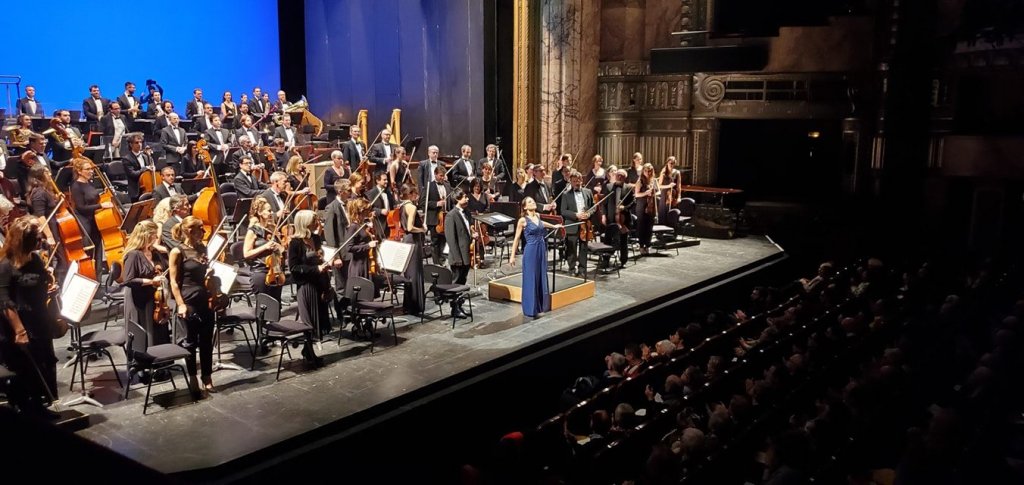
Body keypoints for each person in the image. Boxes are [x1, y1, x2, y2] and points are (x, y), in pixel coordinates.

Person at [0, 216, 60, 417]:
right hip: (18, 323)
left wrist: (50, 287)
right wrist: (20, 331)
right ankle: (27, 409)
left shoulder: (34, 259)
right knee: (25, 367)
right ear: (23, 242)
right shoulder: (5, 266)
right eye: (36, 239)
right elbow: (4, 300)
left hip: (39, 319)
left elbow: (40, 283)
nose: (39, 242)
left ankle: (40, 404)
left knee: (44, 361)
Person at [168, 216, 215, 393]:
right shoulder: (177, 251)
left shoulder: (203, 248)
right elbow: (173, 281)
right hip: (188, 298)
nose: (204, 232)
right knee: (190, 341)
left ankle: (207, 377)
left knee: (206, 340)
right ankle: (193, 376)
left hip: (205, 297)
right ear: (190, 231)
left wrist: (210, 273)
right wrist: (180, 304)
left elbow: (204, 273)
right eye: (200, 229)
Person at [289, 210, 338, 350]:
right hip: (306, 286)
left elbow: (318, 258)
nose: (317, 223)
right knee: (309, 321)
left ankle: (309, 353)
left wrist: (326, 262)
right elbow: (294, 267)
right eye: (314, 220)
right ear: (305, 223)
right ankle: (309, 352)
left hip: (319, 284)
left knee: (320, 320)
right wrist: (316, 269)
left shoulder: (315, 238)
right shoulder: (295, 243)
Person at [122, 221, 169, 362]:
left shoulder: (154, 252)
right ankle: (144, 365)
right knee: (144, 331)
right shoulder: (133, 255)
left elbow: (166, 268)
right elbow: (128, 280)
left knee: (157, 330)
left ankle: (160, 362)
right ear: (147, 236)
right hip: (139, 300)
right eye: (155, 236)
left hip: (155, 299)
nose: (157, 239)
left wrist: (166, 253)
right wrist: (150, 281)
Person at [509, 197, 562, 318]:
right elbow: (516, 239)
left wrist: (554, 226)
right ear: (525, 207)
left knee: (540, 276)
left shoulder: (537, 215)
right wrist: (512, 256)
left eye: (533, 201)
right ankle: (530, 309)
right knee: (531, 278)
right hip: (531, 251)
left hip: (541, 249)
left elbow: (542, 224)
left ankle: (540, 306)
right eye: (529, 202)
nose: (533, 203)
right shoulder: (522, 220)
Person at [70, 159, 112, 270]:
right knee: (89, 251)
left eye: (91, 169)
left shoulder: (88, 183)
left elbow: (92, 199)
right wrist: (101, 206)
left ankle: (98, 278)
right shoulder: (76, 186)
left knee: (98, 249)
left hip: (95, 220)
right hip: (85, 222)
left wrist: (105, 194)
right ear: (79, 171)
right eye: (87, 169)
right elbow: (81, 207)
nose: (91, 171)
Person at [244, 197, 285, 303]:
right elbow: (246, 254)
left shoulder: (272, 228)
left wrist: (280, 247)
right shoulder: (253, 231)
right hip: (261, 272)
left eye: (271, 210)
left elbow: (281, 249)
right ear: (260, 212)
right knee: (264, 307)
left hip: (276, 271)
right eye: (269, 211)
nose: (272, 213)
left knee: (276, 307)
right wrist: (265, 247)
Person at [443, 188, 473, 318]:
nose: (467, 199)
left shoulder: (466, 213)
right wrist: (456, 257)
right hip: (457, 255)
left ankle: (459, 305)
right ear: (457, 199)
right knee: (456, 283)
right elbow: (451, 238)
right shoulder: (451, 215)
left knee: (462, 282)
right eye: (464, 197)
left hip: (465, 253)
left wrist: (473, 234)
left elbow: (465, 231)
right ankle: (454, 308)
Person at [397, 184, 426, 315]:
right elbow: (409, 227)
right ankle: (415, 305)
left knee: (409, 273)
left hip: (406, 241)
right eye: (415, 194)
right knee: (415, 273)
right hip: (413, 240)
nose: (417, 196)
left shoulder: (401, 206)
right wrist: (422, 229)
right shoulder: (412, 207)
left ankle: (408, 305)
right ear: (410, 194)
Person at [559, 170, 595, 277]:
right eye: (574, 181)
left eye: (578, 180)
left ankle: (582, 269)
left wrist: (588, 214)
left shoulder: (588, 192)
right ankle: (571, 268)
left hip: (585, 224)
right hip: (572, 224)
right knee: (572, 248)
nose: (577, 183)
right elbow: (563, 211)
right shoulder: (565, 195)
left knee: (584, 248)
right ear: (571, 182)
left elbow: (593, 207)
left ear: (582, 180)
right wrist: (576, 215)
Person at [422, 166, 451, 265]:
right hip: (434, 218)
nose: (442, 178)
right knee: (435, 242)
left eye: (444, 176)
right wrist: (436, 204)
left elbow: (451, 201)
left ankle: (442, 261)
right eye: (440, 176)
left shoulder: (447, 185)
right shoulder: (429, 186)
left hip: (446, 218)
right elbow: (422, 203)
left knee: (444, 240)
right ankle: (436, 264)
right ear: (435, 175)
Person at [634, 163, 657, 255]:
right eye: (646, 171)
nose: (648, 172)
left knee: (649, 226)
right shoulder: (640, 181)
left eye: (650, 171)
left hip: (650, 205)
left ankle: (648, 245)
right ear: (643, 171)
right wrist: (646, 193)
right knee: (642, 226)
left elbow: (658, 191)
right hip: (641, 205)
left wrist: (654, 193)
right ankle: (641, 245)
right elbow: (636, 194)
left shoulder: (653, 180)